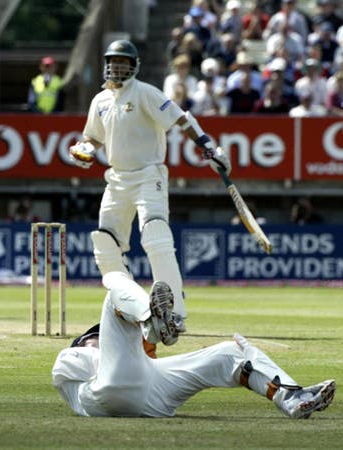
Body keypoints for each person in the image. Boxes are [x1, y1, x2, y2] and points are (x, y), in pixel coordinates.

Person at [68, 39, 232, 338]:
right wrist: (85, 150)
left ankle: (174, 312)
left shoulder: (144, 93)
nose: (117, 67)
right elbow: (92, 137)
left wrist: (208, 146)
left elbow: (181, 119)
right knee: (105, 245)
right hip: (117, 178)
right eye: (112, 61)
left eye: (123, 62)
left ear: (133, 65)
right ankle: (130, 308)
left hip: (148, 175)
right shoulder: (100, 101)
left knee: (155, 236)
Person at [52, 271, 336, 418]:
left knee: (231, 353)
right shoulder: (71, 356)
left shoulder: (140, 364)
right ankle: (150, 318)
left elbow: (135, 368)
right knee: (116, 285)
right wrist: (130, 343)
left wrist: (144, 350)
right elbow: (102, 362)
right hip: (105, 393)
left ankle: (289, 397)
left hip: (153, 399)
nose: (101, 339)